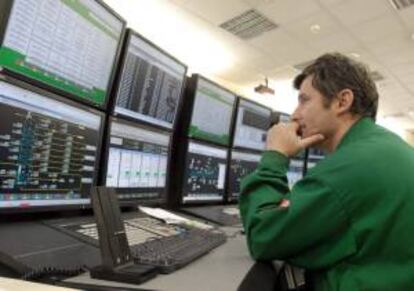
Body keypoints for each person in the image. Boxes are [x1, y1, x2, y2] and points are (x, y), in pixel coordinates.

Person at [239, 52, 414, 291]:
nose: (294, 114)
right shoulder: (384, 148)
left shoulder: (351, 165)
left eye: (304, 100)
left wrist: (275, 156)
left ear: (342, 101)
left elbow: (263, 237)